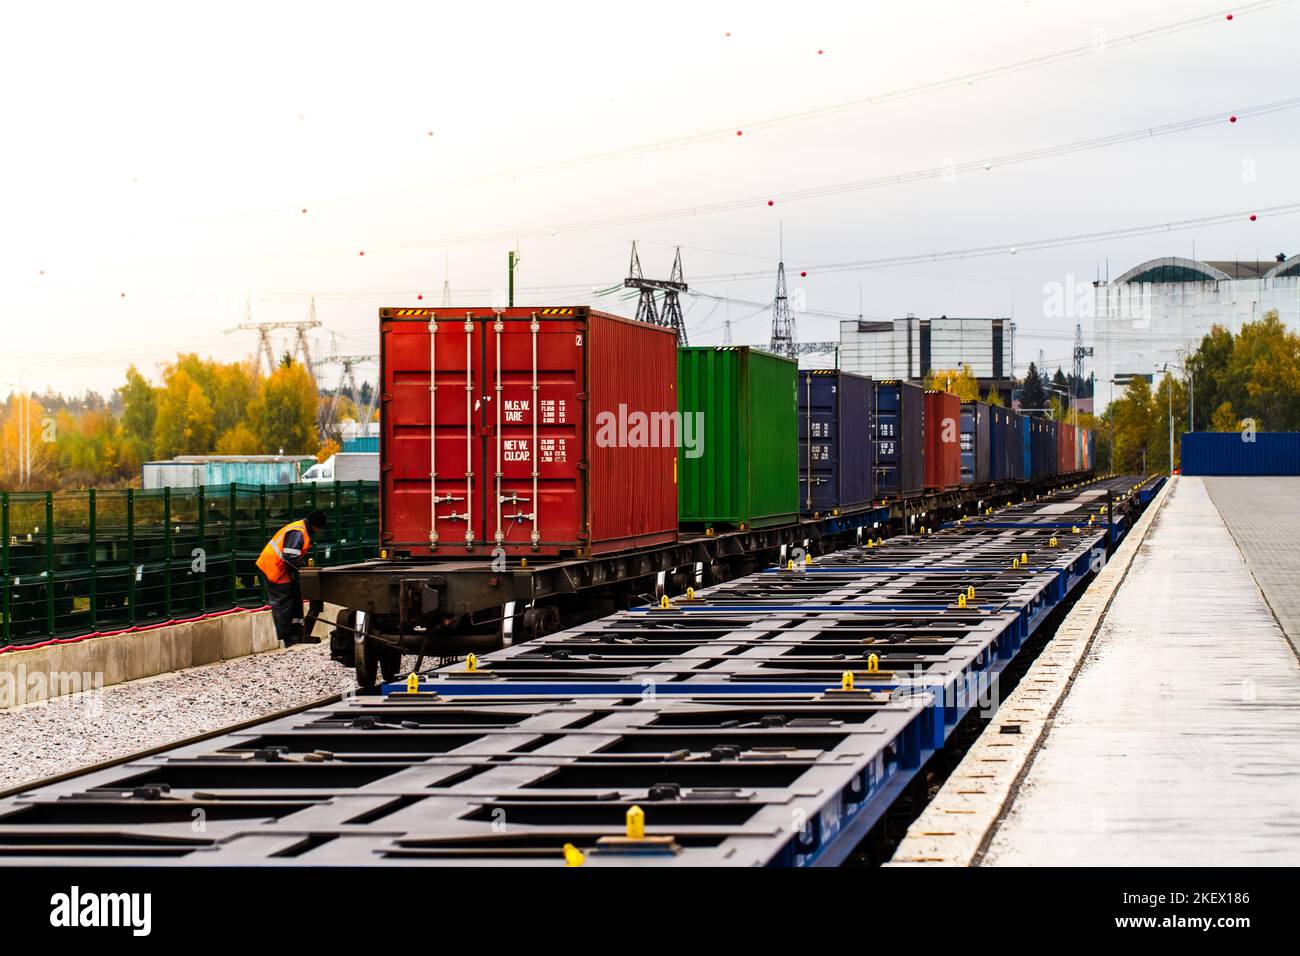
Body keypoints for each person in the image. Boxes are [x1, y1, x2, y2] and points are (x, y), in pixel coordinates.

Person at [256, 510, 328, 647]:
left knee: (294, 598)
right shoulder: (298, 532)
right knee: (283, 602)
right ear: (316, 526)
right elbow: (291, 557)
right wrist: (304, 570)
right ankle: (288, 637)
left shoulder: (301, 528)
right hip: (274, 569)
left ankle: (297, 634)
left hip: (280, 569)